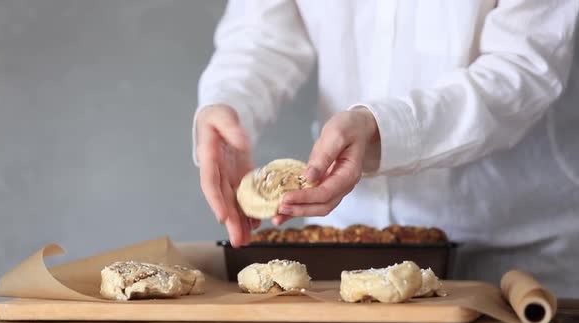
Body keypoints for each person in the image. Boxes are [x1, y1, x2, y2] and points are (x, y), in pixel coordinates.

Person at [192, 1, 579, 296]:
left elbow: (524, 68)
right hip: (345, 246)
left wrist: (384, 128)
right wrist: (230, 101)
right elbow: (260, 35)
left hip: (512, 246)